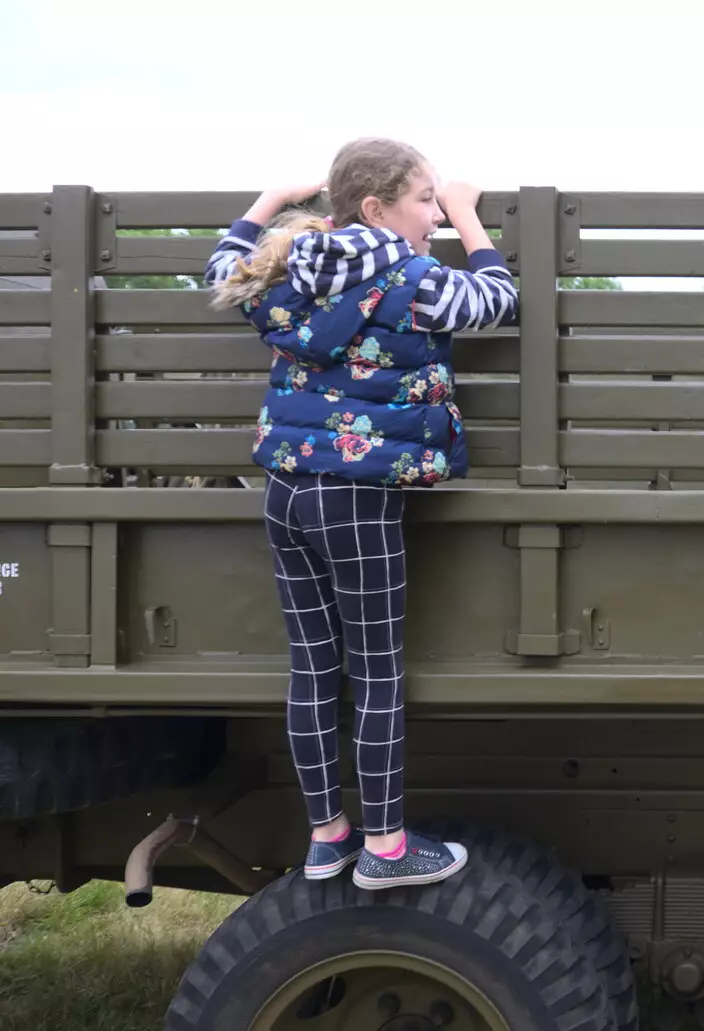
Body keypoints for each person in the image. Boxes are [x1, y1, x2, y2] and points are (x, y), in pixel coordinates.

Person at [203, 138, 519, 889]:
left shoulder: (282, 270)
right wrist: (474, 218)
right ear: (377, 209)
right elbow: (498, 297)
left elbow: (220, 268)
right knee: (376, 675)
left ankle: (327, 836)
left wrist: (272, 200)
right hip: (358, 496)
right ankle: (384, 847)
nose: (434, 216)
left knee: (313, 668)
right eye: (425, 201)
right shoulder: (415, 279)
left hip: (286, 490)